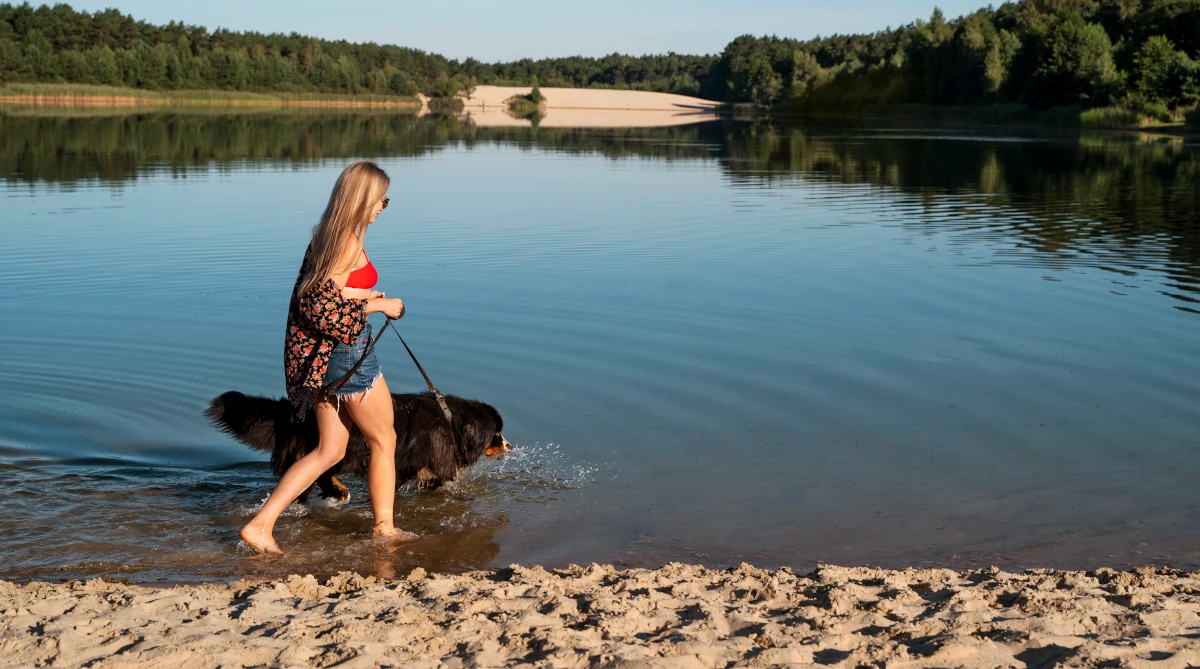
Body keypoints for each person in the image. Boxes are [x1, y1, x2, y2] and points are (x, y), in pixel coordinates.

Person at [240, 161, 406, 554]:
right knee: (386, 440)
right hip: (348, 355)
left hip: (324, 359)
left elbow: (323, 293)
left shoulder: (327, 236)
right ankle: (384, 530)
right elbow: (320, 308)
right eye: (382, 198)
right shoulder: (346, 241)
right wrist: (379, 308)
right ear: (363, 199)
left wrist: (365, 296)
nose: (384, 205)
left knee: (330, 450)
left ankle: (261, 524)